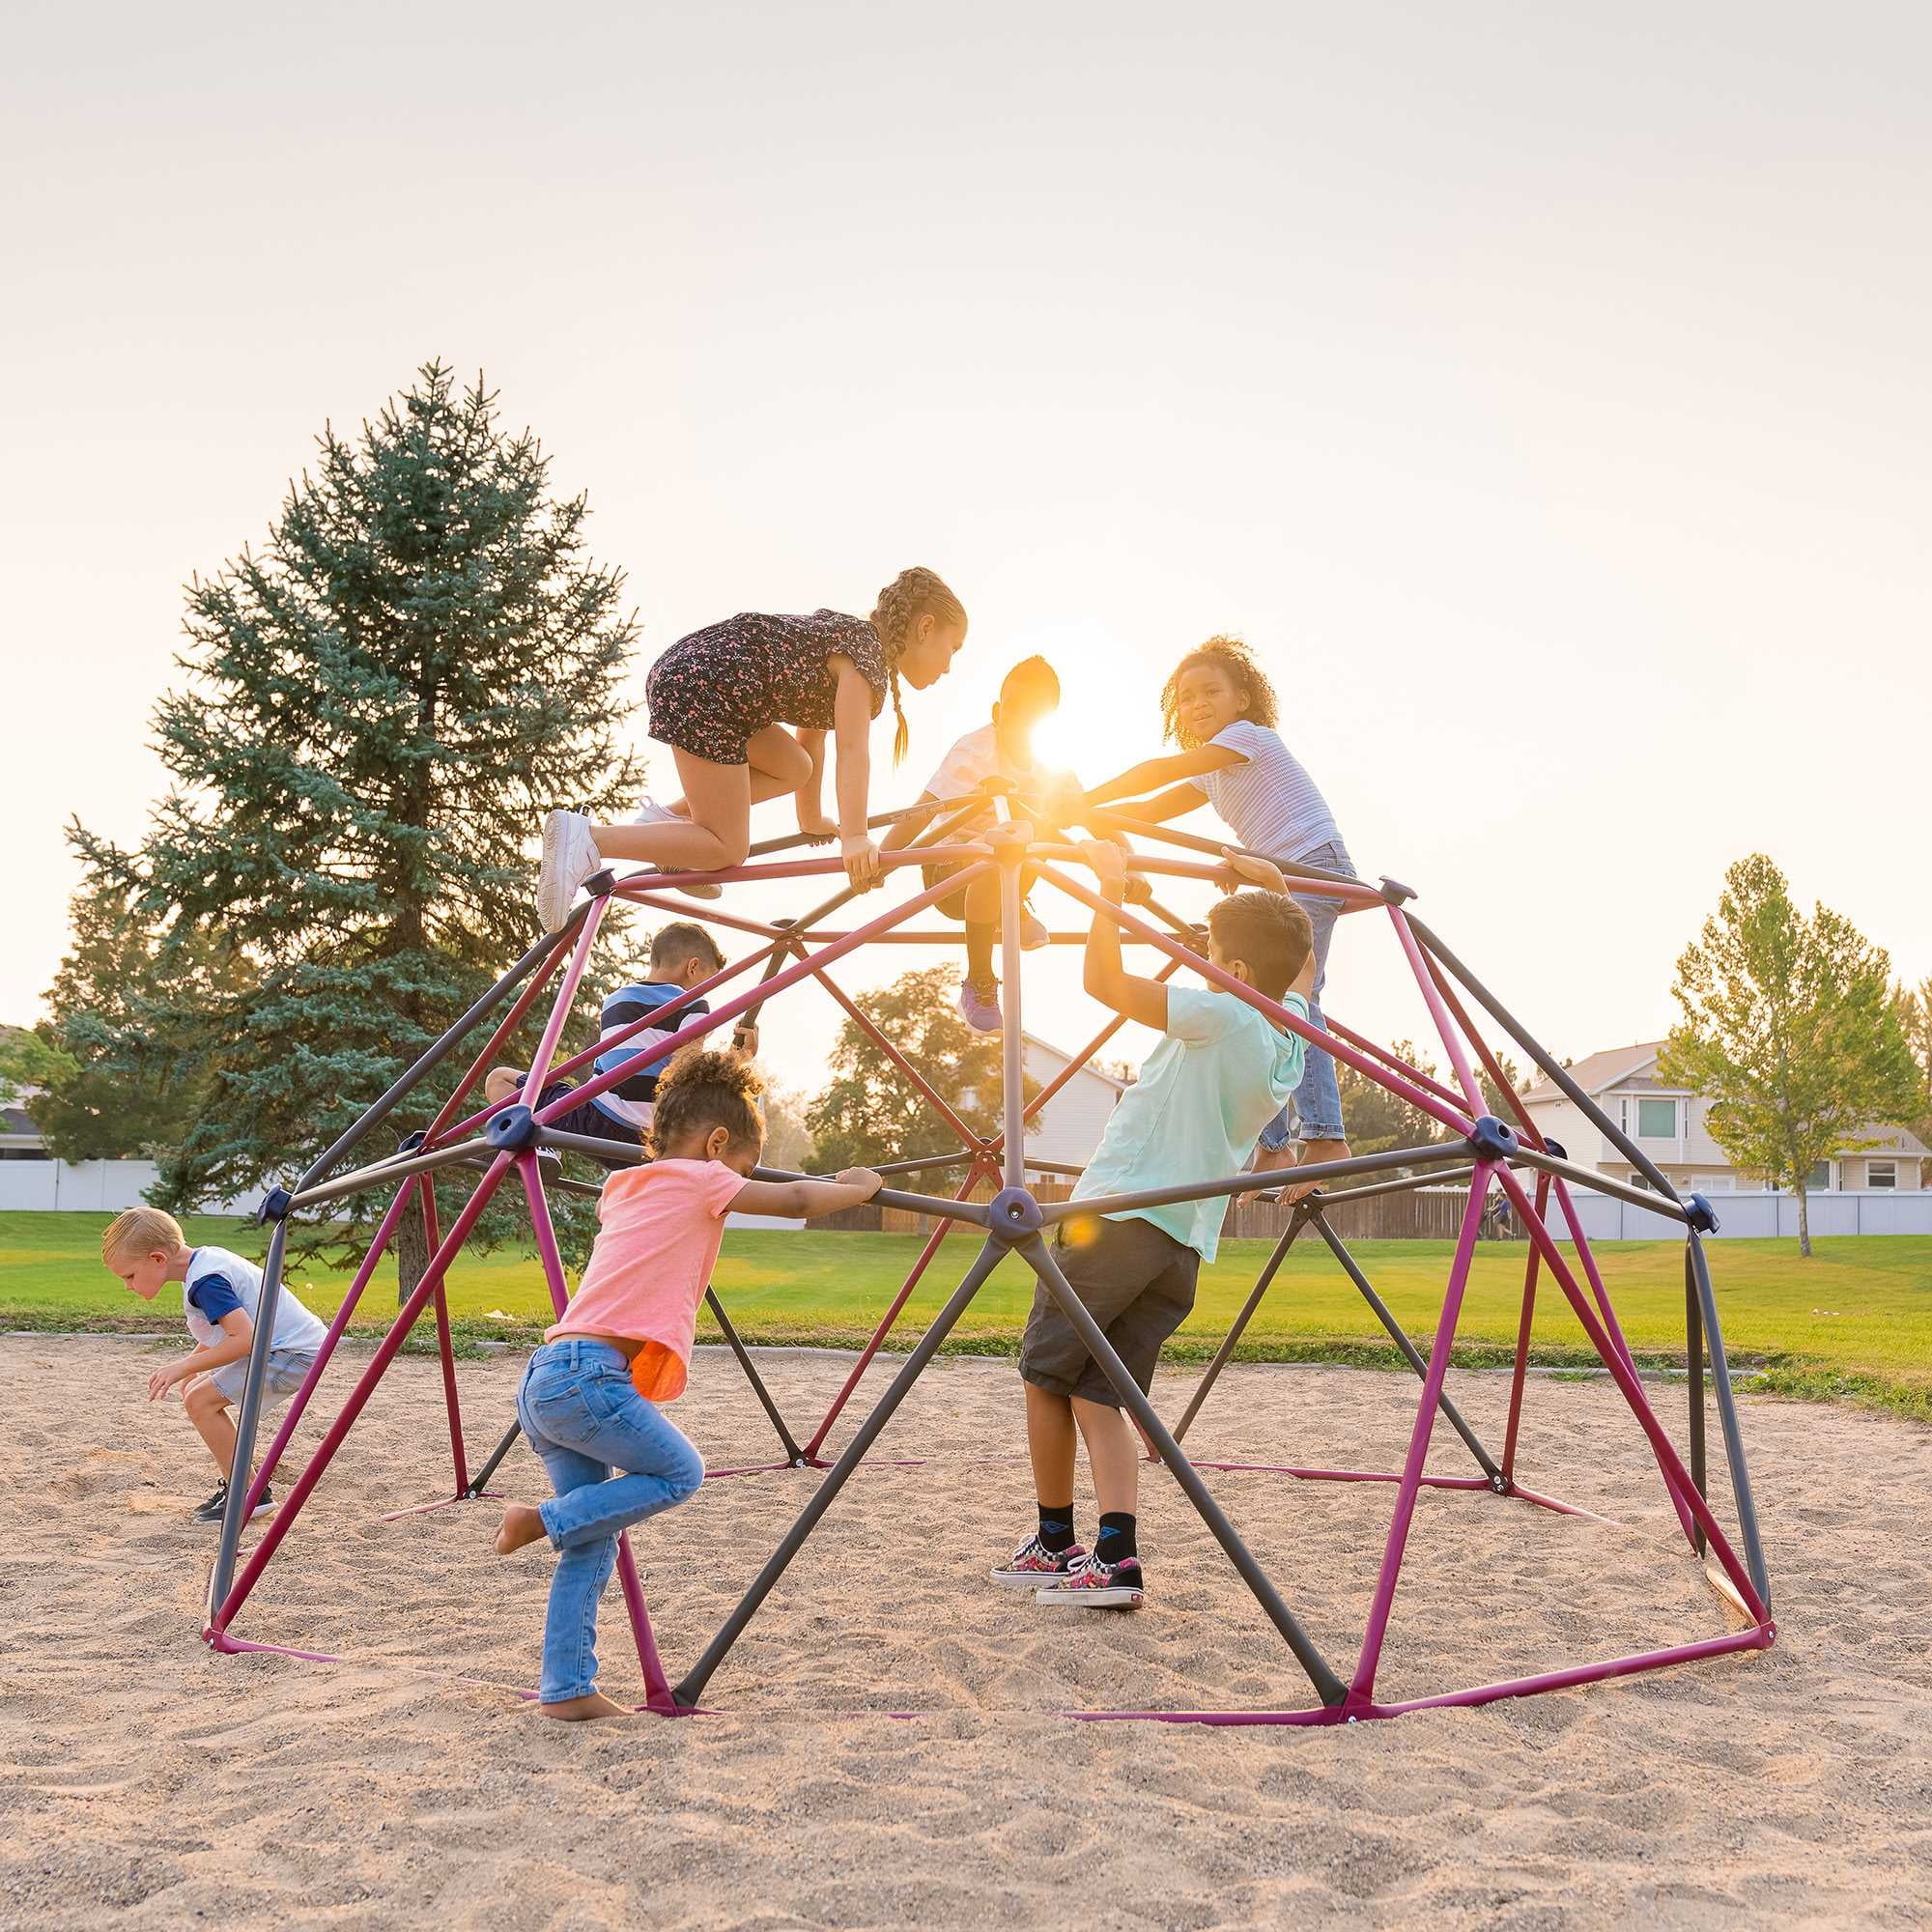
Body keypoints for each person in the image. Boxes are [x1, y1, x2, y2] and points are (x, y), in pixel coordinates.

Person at [492, 1047, 883, 1719]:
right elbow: (795, 1198)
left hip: (547, 1377)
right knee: (679, 1472)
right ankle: (538, 1520)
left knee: (593, 1537)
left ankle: (567, 1689)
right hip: (587, 1378)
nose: (741, 1185)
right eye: (744, 1170)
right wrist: (855, 1186)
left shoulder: (625, 1186)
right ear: (717, 1144)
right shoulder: (703, 1180)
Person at [995, 840, 1314, 1607]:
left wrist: (1109, 888)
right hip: (1184, 1243)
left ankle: (1053, 1540)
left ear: (1238, 973)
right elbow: (1304, 970)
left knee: (1043, 1372)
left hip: (1121, 1219)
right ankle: (1115, 1556)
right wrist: (1276, 889)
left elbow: (1102, 982)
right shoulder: (1290, 1036)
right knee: (1099, 1392)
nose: (1200, 963)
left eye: (1210, 954)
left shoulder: (1225, 1013)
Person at [535, 569, 968, 925]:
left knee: (795, 766)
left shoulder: (853, 640)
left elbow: (812, 735)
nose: (950, 667)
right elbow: (853, 750)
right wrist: (854, 837)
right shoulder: (866, 658)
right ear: (925, 627)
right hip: (708, 688)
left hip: (704, 676)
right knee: (728, 847)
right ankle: (588, 839)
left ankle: (669, 822)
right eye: (953, 648)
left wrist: (811, 818)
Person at [1084, 636, 1355, 1201]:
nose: (1197, 704)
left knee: (1295, 998)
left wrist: (1084, 799)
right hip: (1281, 868)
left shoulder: (1247, 738)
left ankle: (1326, 1136)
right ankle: (1274, 1145)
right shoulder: (1213, 771)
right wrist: (1088, 817)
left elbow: (1159, 771)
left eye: (1210, 691)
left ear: (1243, 700)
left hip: (1311, 864)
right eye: (1185, 698)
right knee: (1258, 1001)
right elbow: (1148, 810)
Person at [879, 654, 1073, 1032]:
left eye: (1034, 714)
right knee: (994, 850)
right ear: (997, 712)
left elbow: (1084, 816)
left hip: (1006, 870)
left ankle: (1012, 906)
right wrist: (883, 860)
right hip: (948, 874)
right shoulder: (974, 752)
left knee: (1042, 823)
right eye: (1015, 709)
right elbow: (922, 812)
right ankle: (979, 980)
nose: (1022, 721)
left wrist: (1125, 863)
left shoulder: (1050, 768)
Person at [101, 1206, 327, 1525]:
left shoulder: (206, 1281)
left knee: (200, 1401)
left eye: (130, 1276)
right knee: (197, 1392)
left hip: (294, 1353)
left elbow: (243, 1338)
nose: (128, 1286)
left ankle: (246, 1493)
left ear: (157, 1259)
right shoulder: (205, 1263)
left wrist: (182, 1366)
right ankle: (244, 1488)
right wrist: (194, 1365)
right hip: (290, 1347)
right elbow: (225, 1329)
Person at [483, 922, 747, 1162]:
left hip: (594, 1120)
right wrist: (739, 1057)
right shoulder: (693, 1003)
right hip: (646, 1139)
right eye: (709, 980)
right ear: (692, 967)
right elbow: (686, 1071)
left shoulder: (615, 999)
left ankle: (540, 1146)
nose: (708, 989)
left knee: (500, 1079)